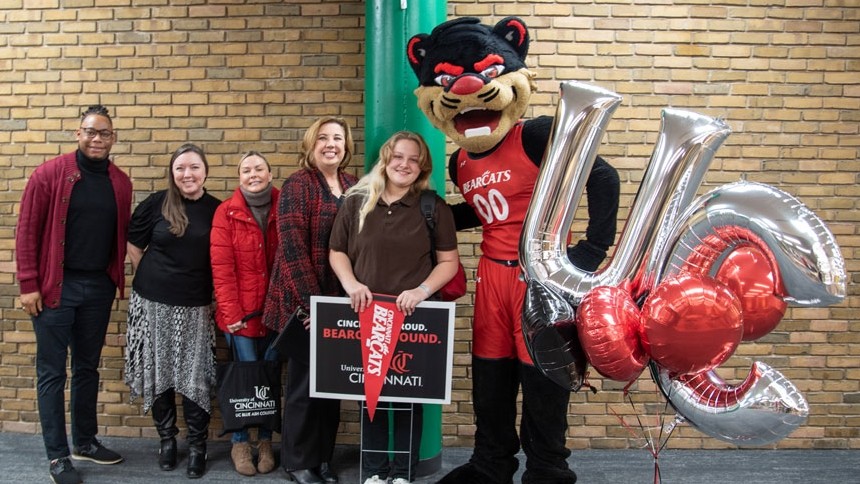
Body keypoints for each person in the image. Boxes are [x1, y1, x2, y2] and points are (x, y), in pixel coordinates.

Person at [329, 131, 458, 484]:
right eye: (398, 156)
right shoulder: (355, 201)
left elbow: (449, 262)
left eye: (413, 159)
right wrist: (351, 284)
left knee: (407, 396)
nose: (404, 164)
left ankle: (402, 473)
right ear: (385, 159)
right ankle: (372, 472)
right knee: (367, 396)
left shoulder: (433, 207)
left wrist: (421, 290)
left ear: (422, 167)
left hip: (412, 317)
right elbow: (337, 251)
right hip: (363, 314)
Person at [15, 105, 131, 484]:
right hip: (55, 288)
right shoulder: (49, 175)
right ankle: (58, 456)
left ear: (113, 138)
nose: (97, 139)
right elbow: (27, 231)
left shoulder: (120, 182)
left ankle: (85, 440)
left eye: (105, 133)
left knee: (87, 368)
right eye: (90, 132)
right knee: (51, 373)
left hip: (98, 287)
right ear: (78, 134)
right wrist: (28, 283)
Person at [262, 116, 359, 484]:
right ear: (311, 145)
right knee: (303, 386)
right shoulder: (298, 185)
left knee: (331, 385)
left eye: (338, 138)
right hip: (304, 304)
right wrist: (312, 306)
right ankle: (298, 461)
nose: (331, 144)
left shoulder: (353, 185)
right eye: (323, 138)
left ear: (346, 146)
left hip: (341, 302)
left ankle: (322, 458)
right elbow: (291, 250)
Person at [124, 143, 221, 479]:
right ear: (173, 173)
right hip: (150, 304)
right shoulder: (156, 204)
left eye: (194, 167)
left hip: (195, 307)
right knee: (158, 372)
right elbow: (135, 245)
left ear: (205, 171)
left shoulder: (216, 210)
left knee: (194, 378)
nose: (187, 174)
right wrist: (153, 280)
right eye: (180, 168)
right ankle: (167, 440)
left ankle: (197, 445)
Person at [210, 151, 279, 476]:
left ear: (269, 172)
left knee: (269, 378)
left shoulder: (284, 204)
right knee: (244, 378)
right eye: (246, 170)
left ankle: (265, 441)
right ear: (239, 177)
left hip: (276, 315)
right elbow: (222, 268)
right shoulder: (226, 212)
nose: (253, 174)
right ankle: (240, 441)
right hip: (240, 316)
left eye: (259, 168)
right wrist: (231, 312)